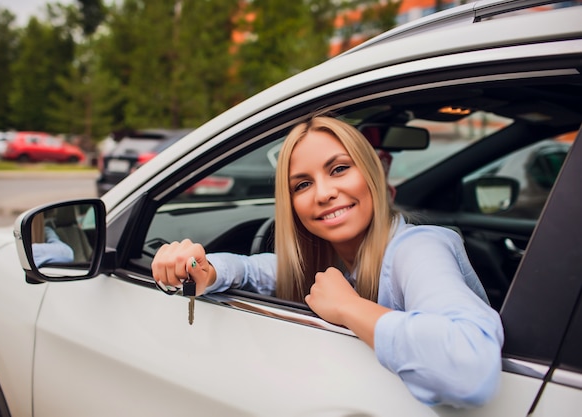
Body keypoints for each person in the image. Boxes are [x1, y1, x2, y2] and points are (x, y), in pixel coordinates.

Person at [151, 116, 504, 408]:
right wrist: (199, 269)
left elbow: (470, 367)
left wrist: (348, 307)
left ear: (374, 175)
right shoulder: (327, 260)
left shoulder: (418, 248)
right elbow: (252, 271)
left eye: (338, 169)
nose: (323, 193)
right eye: (303, 184)